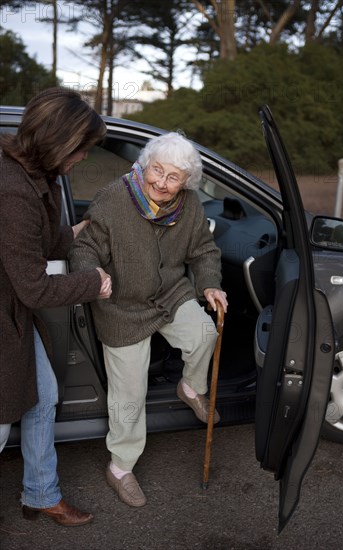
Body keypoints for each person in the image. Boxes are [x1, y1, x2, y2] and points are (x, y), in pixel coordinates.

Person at [68, 131, 228, 508]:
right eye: (157, 170)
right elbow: (83, 247)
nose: (161, 182)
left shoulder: (189, 207)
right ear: (144, 165)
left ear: (186, 182)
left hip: (169, 294)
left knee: (206, 332)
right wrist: (95, 275)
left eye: (173, 177)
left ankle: (191, 388)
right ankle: (121, 467)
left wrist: (209, 285)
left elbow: (204, 249)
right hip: (122, 306)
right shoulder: (113, 198)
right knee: (129, 397)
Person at [0, 87, 112, 526]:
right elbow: (34, 288)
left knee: (42, 398)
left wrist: (76, 229)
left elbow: (33, 245)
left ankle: (41, 493)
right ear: (60, 142)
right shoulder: (13, 191)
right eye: (82, 149)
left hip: (12, 316)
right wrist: (94, 283)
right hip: (6, 317)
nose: (84, 158)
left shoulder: (29, 175)